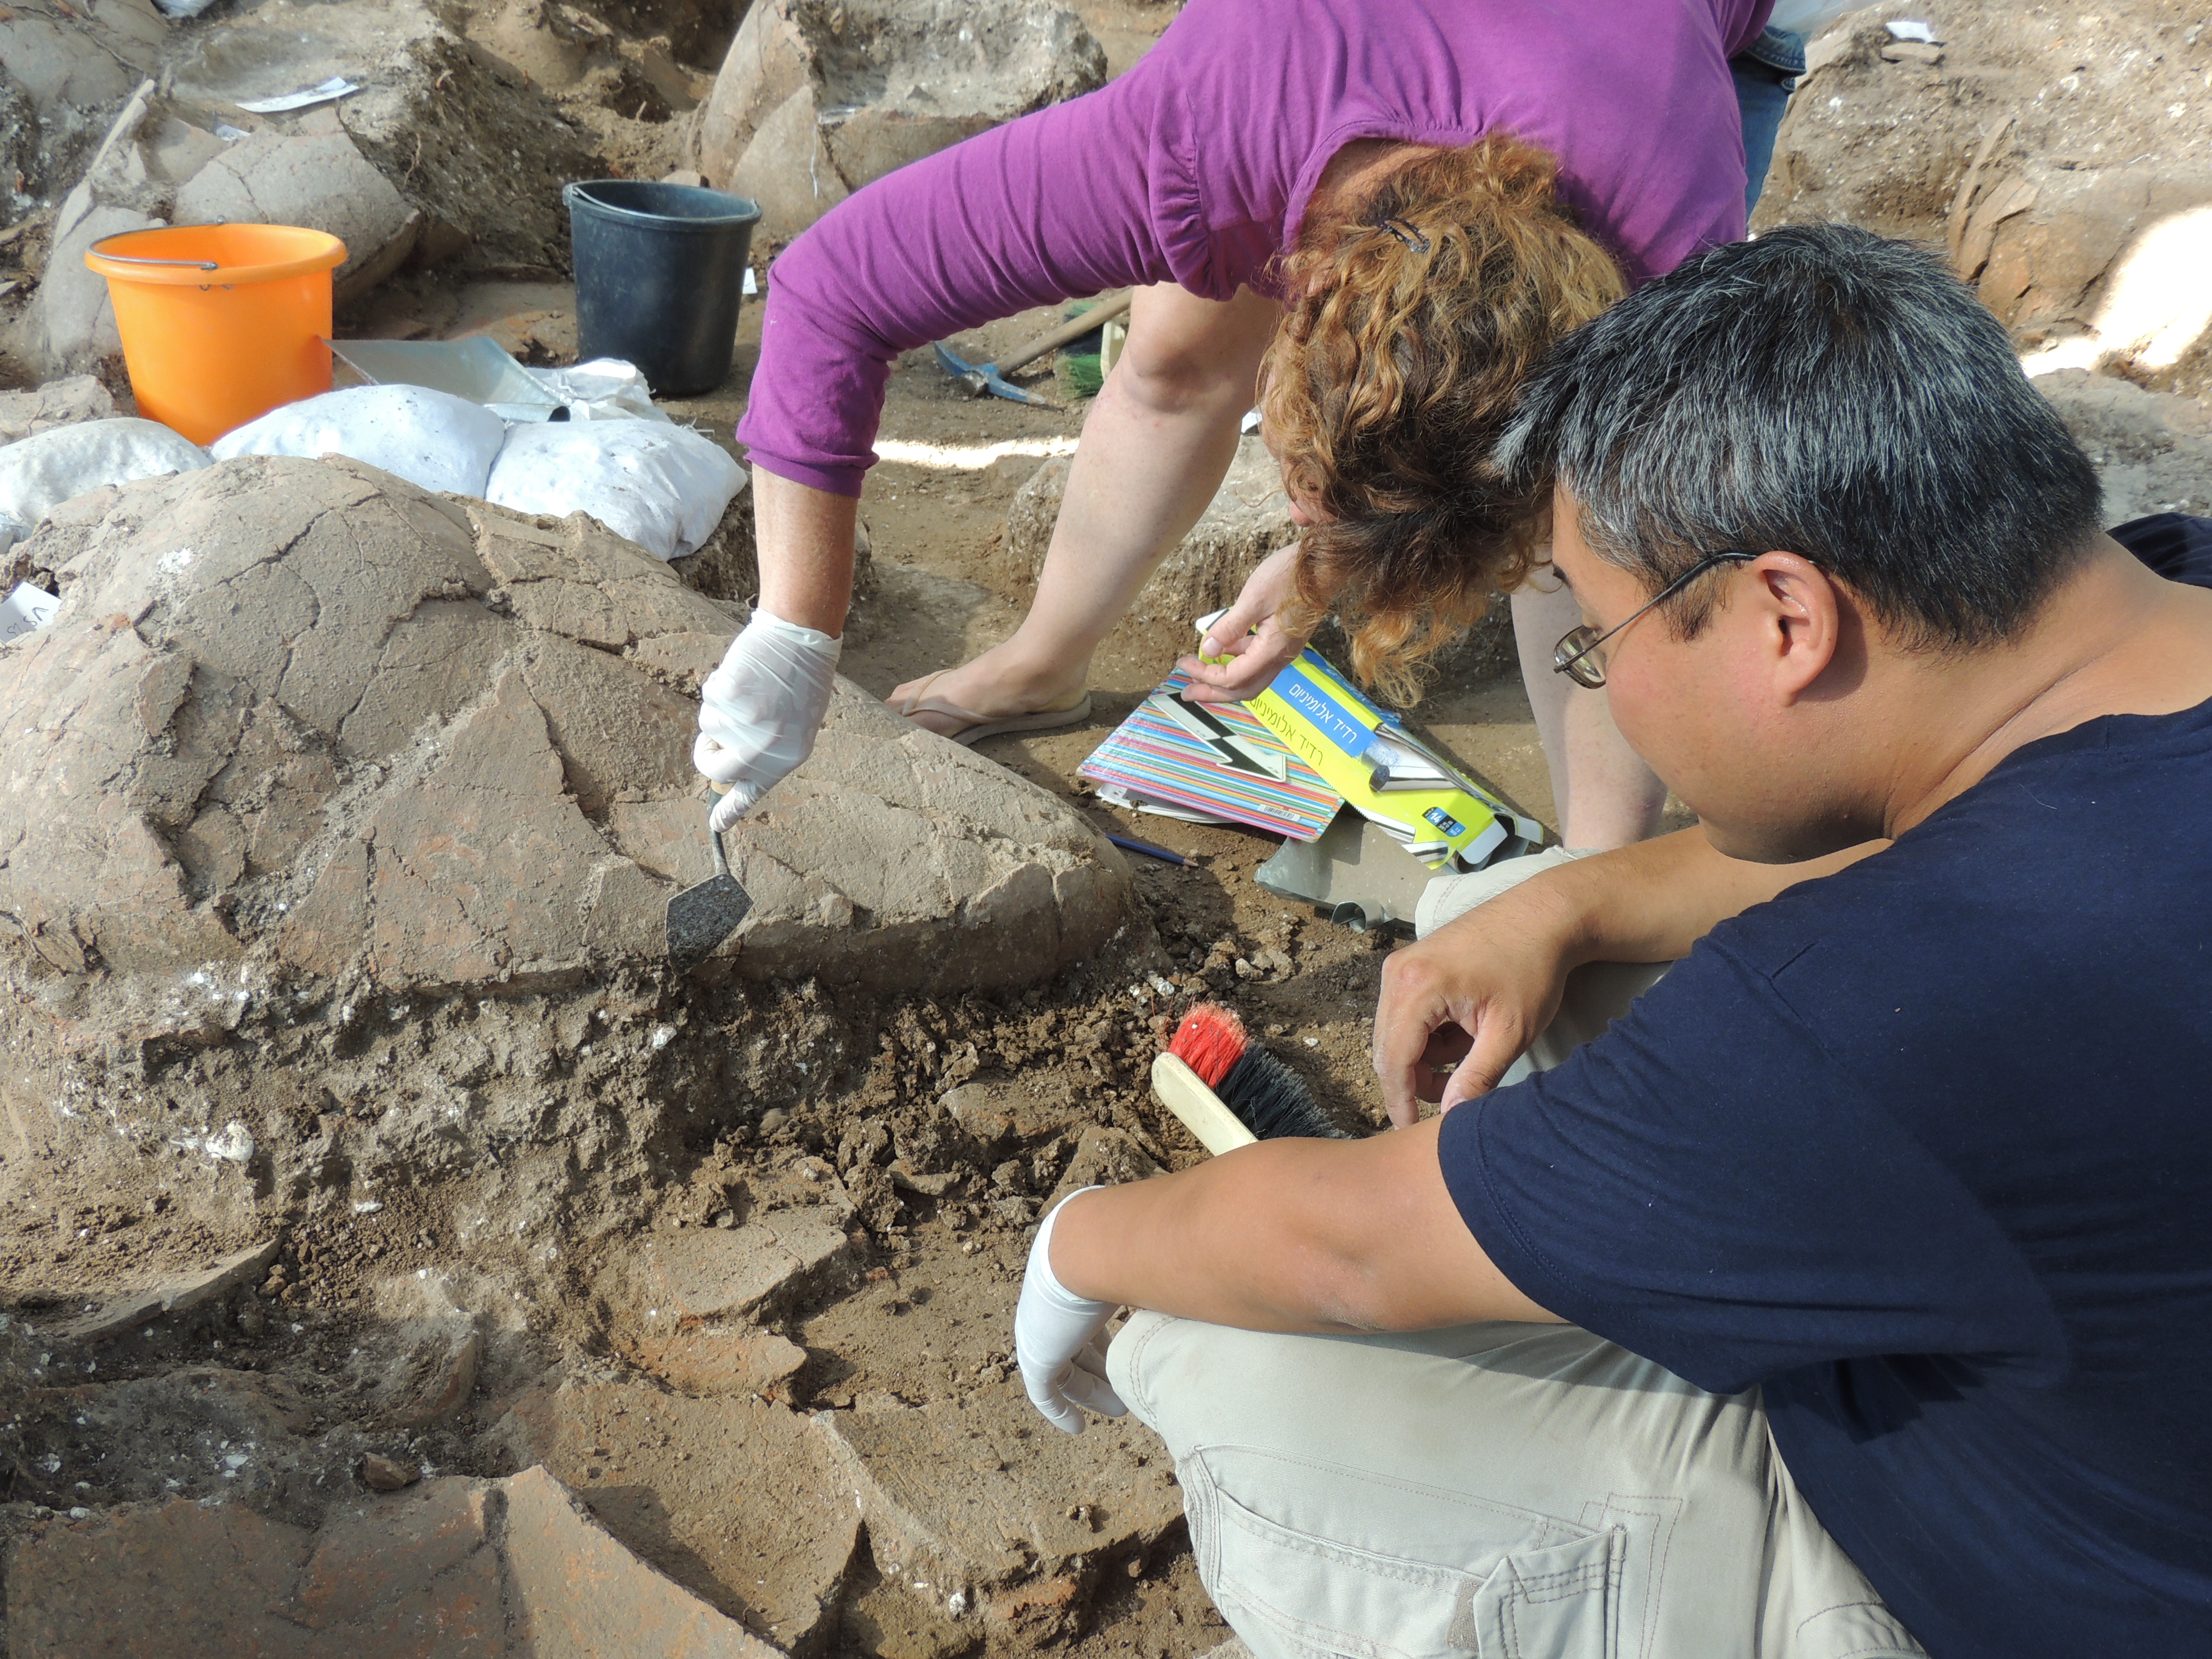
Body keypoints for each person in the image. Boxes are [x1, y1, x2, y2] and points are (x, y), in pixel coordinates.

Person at [1010, 224, 2212, 1659]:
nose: (1604, 684)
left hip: (2016, 1593)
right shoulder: (2158, 598)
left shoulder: (1889, 1007)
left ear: (1783, 618)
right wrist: (1562, 900)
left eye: (1595, 636)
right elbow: (1944, 840)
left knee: (1240, 1356)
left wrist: (1083, 1247)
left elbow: (1355, 1259)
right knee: (1487, 914)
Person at [695, 0, 1777, 850]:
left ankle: (1593, 871)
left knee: (1573, 539)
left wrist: (1327, 564)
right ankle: (1042, 660)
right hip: (1318, 56)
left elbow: (1617, 556)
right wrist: (796, 630)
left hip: (1651, 49)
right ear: (1296, 283)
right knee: (1173, 358)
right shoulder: (1199, 129)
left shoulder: (1673, 257)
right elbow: (831, 290)